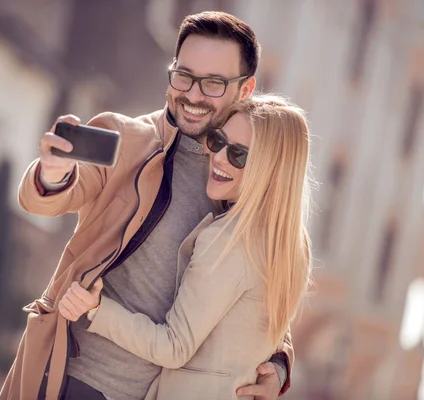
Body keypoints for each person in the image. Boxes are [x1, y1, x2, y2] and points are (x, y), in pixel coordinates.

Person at [0, 11, 293, 400]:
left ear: (245, 89)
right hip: (77, 380)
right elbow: (47, 197)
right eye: (184, 75)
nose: (192, 95)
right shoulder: (129, 139)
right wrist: (53, 173)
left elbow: (257, 286)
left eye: (214, 84)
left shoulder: (247, 178)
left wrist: (278, 362)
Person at [59, 95, 312, 400]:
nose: (218, 157)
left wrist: (96, 309)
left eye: (239, 156)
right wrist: (280, 367)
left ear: (270, 170)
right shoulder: (290, 244)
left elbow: (174, 347)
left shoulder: (228, 240)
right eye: (218, 141)